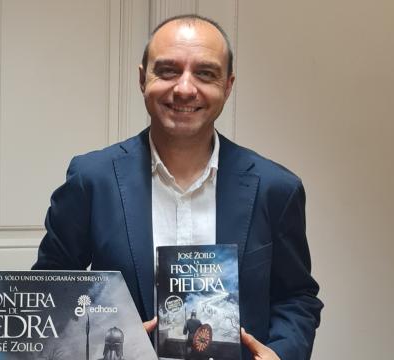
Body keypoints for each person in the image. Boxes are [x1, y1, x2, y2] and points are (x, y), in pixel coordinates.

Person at [33, 14, 323, 360]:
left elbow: (297, 297)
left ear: (228, 86)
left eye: (205, 73)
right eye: (168, 70)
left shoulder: (276, 189)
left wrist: (281, 354)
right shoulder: (91, 180)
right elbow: (49, 297)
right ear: (143, 79)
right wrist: (102, 346)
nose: (185, 88)